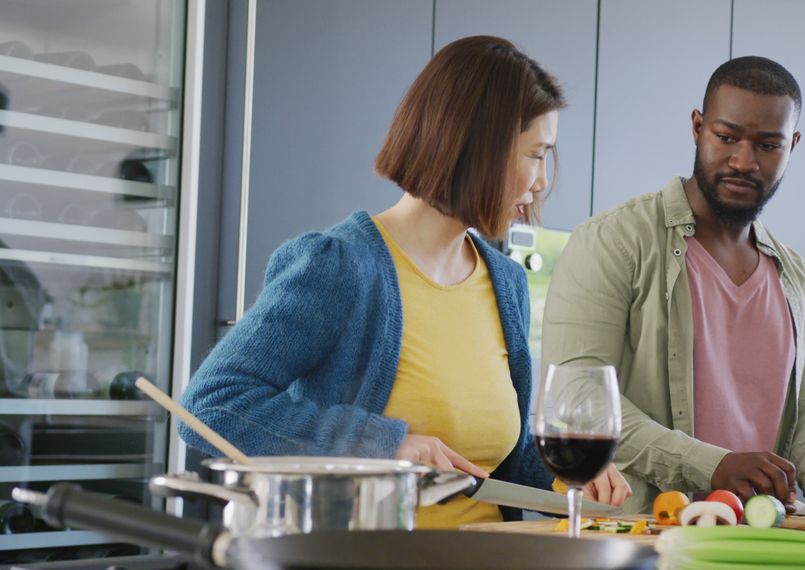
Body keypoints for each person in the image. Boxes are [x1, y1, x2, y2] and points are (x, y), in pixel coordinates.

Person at [180, 35, 630, 528]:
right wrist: (386, 444)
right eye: (535, 154)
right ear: (477, 149)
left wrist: (573, 481)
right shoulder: (341, 265)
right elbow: (211, 404)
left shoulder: (505, 282)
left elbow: (501, 460)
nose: (541, 182)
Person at [541, 56, 805, 514]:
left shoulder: (796, 275)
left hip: (765, 539)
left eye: (768, 145)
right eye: (726, 137)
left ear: (794, 145)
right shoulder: (614, 241)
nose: (743, 161)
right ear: (697, 127)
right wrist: (711, 465)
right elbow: (575, 398)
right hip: (646, 539)